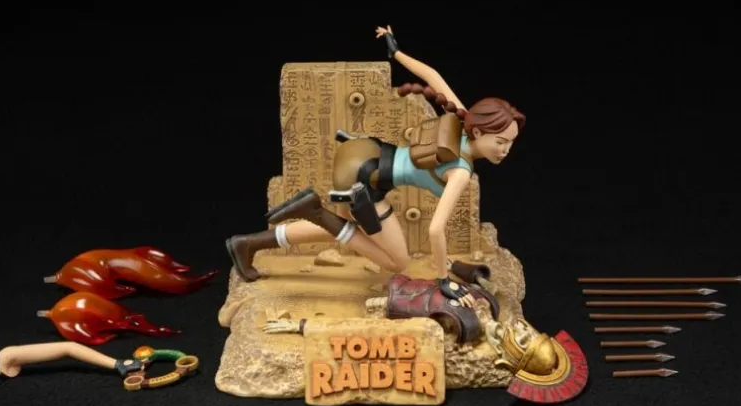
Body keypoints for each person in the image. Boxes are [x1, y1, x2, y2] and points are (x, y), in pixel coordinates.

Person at [225, 25, 525, 307]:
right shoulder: (460, 172)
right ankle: (316, 212)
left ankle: (247, 244)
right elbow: (435, 230)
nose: (506, 151)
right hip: (366, 178)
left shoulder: (463, 117)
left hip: (363, 151)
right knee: (397, 262)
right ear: (479, 132)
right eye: (500, 142)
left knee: (344, 231)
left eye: (510, 143)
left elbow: (432, 75)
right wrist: (444, 281)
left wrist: (396, 51)